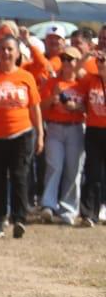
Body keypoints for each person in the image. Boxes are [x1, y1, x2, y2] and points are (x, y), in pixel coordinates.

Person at [0, 35, 45, 239]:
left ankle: (20, 219)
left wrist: (40, 134)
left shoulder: (26, 77)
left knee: (20, 177)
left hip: (22, 133)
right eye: (2, 49)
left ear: (18, 53)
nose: (6, 53)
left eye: (10, 49)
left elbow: (35, 107)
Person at [38, 46, 88, 226]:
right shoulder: (53, 82)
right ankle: (48, 205)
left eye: (70, 59)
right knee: (54, 166)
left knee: (73, 169)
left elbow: (90, 107)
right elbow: (40, 106)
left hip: (75, 127)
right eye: (63, 59)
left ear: (78, 62)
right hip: (55, 127)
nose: (66, 62)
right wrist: (53, 99)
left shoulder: (83, 83)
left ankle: (68, 209)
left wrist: (78, 108)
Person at [80, 48, 106, 227]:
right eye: (100, 60)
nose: (101, 62)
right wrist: (87, 56)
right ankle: (89, 213)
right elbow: (76, 70)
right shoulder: (91, 80)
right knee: (93, 172)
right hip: (93, 130)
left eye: (104, 59)